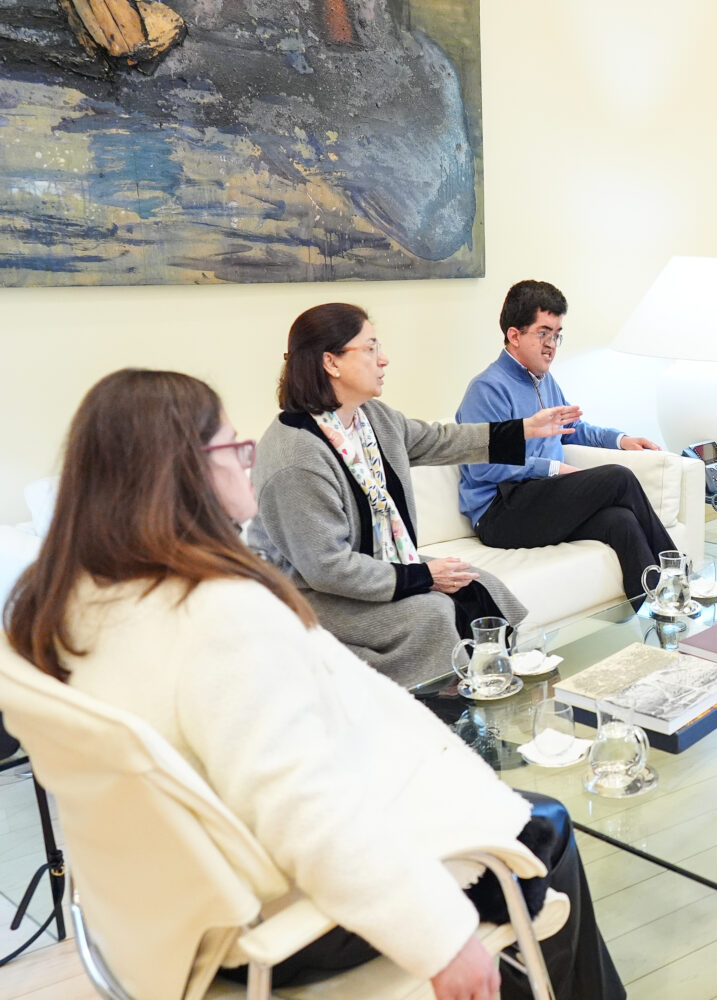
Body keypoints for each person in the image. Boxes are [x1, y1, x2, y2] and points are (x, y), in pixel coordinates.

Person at [3, 369, 626, 999]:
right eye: (232, 447)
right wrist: (442, 939)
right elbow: (304, 812)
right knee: (544, 827)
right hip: (275, 917)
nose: (248, 462)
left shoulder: (59, 611)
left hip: (157, 917)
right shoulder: (217, 615)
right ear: (185, 473)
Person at [248, 302, 578, 689]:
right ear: (330, 362)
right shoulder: (296, 458)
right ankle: (445, 708)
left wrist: (524, 429)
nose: (383, 359)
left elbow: (440, 440)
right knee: (431, 612)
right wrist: (421, 576)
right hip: (308, 595)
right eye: (370, 348)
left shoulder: (372, 418)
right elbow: (328, 568)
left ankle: (503, 687)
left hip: (374, 565)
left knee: (476, 582)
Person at [456, 280, 678, 607]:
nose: (551, 346)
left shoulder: (544, 381)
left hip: (541, 500)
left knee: (622, 522)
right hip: (499, 514)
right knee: (618, 477)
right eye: (543, 334)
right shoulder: (487, 390)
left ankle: (659, 612)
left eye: (557, 335)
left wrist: (620, 440)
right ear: (514, 335)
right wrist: (554, 468)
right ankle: (679, 577)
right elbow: (486, 467)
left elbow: (572, 428)